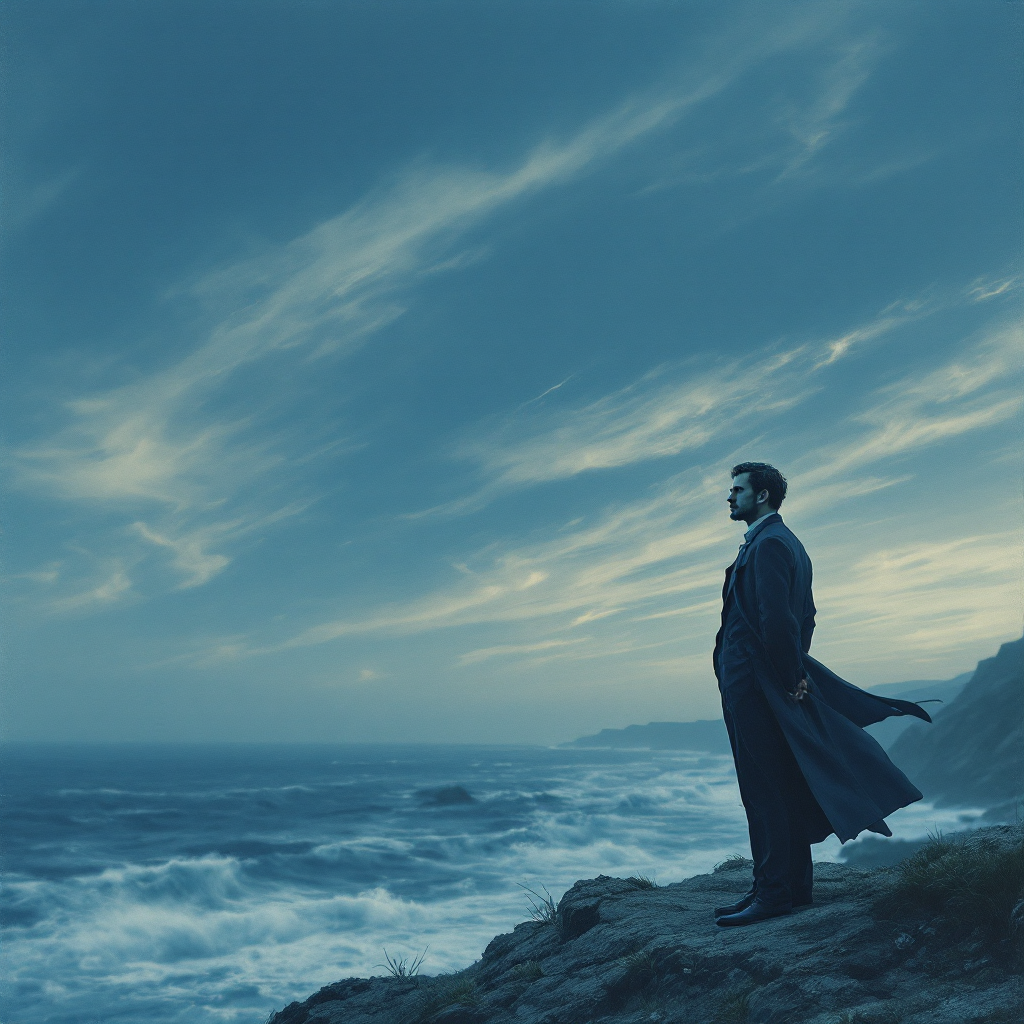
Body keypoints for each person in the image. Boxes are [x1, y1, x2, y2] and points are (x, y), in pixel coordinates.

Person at [712, 462, 931, 927]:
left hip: (755, 683)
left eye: (738, 490)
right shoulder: (785, 543)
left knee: (763, 785)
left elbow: (780, 621)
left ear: (764, 495)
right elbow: (807, 616)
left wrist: (789, 675)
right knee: (783, 781)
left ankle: (773, 892)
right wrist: (793, 670)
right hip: (762, 679)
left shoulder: (770, 544)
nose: (730, 498)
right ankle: (790, 888)